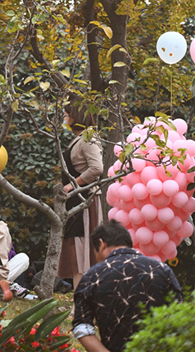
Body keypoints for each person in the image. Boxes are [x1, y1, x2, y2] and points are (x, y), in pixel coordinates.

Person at [72, 220, 182, 352]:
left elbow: (82, 326)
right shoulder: (162, 270)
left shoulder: (92, 276)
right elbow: (179, 315)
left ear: (101, 244)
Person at [59, 103, 103, 288]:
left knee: (83, 251)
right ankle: (81, 297)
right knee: (77, 252)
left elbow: (97, 168)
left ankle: (82, 298)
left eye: (66, 115)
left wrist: (72, 184)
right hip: (76, 201)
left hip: (85, 201)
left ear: (75, 116)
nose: (64, 119)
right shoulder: (78, 139)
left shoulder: (88, 138)